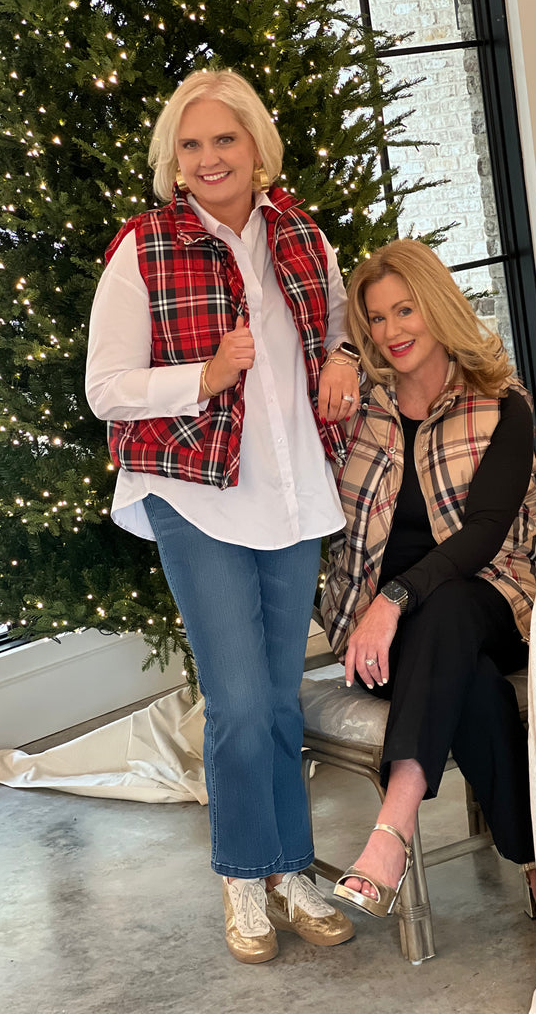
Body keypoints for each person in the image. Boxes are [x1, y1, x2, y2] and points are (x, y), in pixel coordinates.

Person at [85, 68, 358, 963]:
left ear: (255, 147)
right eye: (192, 144)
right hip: (195, 494)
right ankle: (245, 874)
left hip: (291, 493)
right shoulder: (143, 249)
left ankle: (291, 870)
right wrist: (200, 378)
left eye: (225, 139)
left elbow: (340, 329)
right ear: (175, 160)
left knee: (278, 698)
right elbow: (105, 389)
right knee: (238, 700)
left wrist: (345, 358)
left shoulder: (301, 236)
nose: (210, 158)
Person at [320, 239, 536, 917]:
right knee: (470, 683)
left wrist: (395, 598)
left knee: (447, 606)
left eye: (405, 310)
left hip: (496, 603)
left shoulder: (502, 405)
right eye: (376, 318)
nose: (392, 331)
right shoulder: (360, 413)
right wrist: (376, 607)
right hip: (382, 634)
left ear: (437, 306)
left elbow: (484, 534)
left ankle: (392, 827)